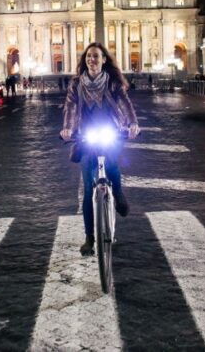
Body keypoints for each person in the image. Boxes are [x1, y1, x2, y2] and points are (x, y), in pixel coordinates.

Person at [60, 42, 140, 256]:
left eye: (96, 56)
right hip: (85, 134)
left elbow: (124, 101)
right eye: (88, 57)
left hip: (110, 129)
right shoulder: (77, 83)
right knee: (88, 189)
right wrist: (67, 128)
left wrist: (132, 123)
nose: (91, 60)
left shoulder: (112, 82)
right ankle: (89, 238)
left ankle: (118, 191)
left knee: (112, 164)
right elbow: (70, 106)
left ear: (104, 59)